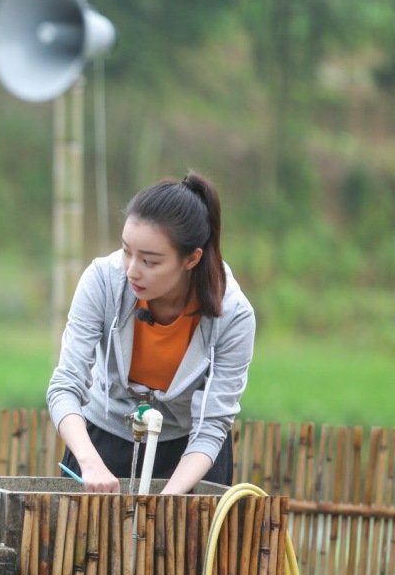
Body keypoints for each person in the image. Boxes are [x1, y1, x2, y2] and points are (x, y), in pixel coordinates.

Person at [47, 172, 254, 495]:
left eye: (150, 261)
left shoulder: (233, 314)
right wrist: (89, 461)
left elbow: (212, 425)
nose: (132, 269)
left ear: (192, 259)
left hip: (189, 456)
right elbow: (64, 387)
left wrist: (166, 501)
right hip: (101, 445)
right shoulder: (102, 281)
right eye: (127, 251)